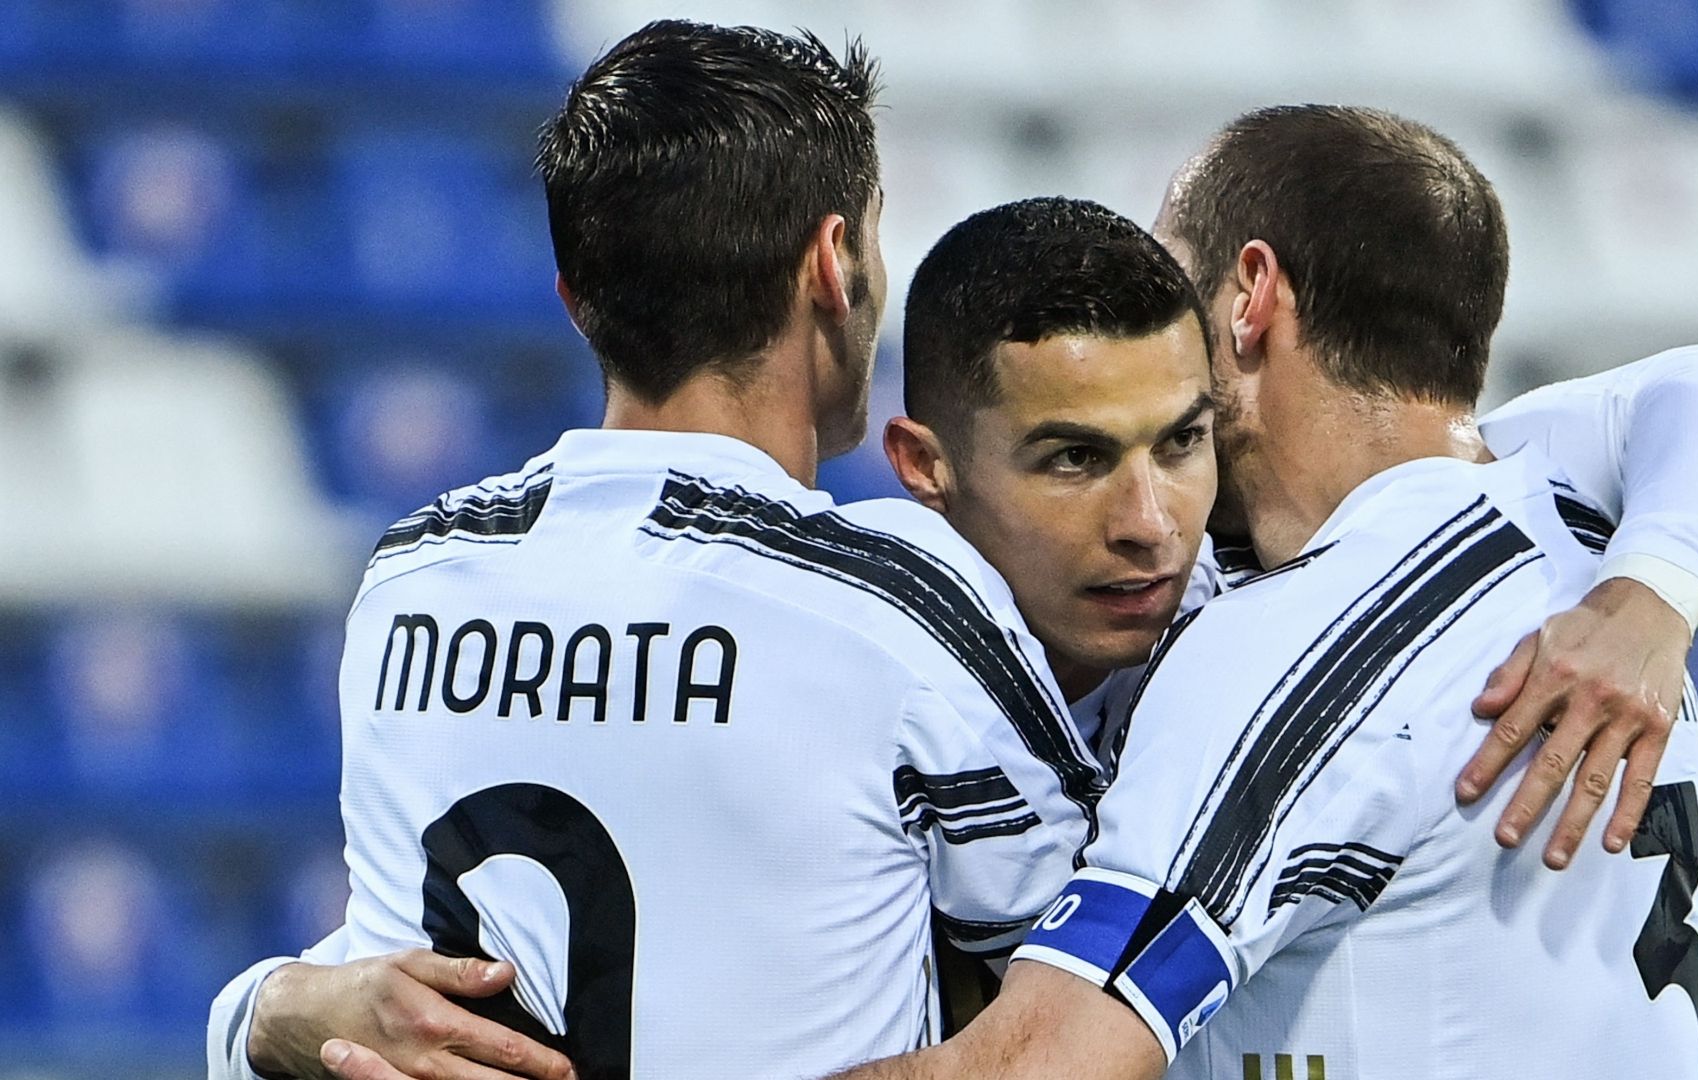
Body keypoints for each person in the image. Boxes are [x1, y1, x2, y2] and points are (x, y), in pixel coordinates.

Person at [236, 197, 1698, 1080]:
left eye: (1184, 442)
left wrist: (1657, 591)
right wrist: (274, 1015)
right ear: (927, 470)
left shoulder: (1274, 612)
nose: (1151, 521)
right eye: (1072, 461)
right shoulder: (842, 670)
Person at [827, 107, 1698, 1080]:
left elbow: (1044, 1064)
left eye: (1174, 275)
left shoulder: (1305, 636)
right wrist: (1653, 594)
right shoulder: (1583, 523)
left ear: (1250, 295)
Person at [215, 22, 1113, 1080]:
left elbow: (389, 976)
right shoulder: (891, 602)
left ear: (574, 300)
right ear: (832, 264)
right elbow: (1095, 972)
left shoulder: (412, 578)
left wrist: (262, 1008)